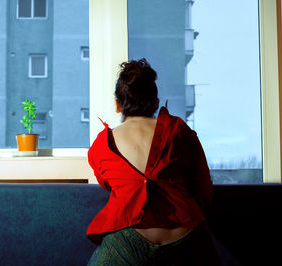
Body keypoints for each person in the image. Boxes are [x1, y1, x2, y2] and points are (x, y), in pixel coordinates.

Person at [87, 58, 222, 265]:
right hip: (186, 237)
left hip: (129, 243)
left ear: (117, 105)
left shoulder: (101, 147)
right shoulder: (178, 130)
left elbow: (111, 186)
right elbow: (204, 189)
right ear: (156, 103)